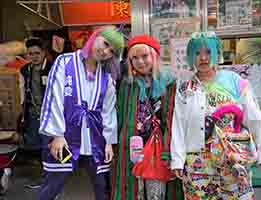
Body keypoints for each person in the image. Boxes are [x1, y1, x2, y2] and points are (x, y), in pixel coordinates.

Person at [171, 32, 261, 200]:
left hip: (233, 157)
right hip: (198, 163)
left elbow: (254, 118)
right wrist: (177, 159)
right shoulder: (185, 88)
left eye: (208, 52)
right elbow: (178, 124)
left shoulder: (235, 81)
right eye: (197, 53)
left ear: (217, 53)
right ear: (191, 56)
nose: (203, 58)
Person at [38, 27, 124, 200]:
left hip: (95, 137)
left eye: (111, 51)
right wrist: (57, 135)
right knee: (53, 184)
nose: (105, 51)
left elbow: (108, 110)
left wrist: (108, 142)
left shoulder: (107, 76)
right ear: (95, 37)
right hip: (67, 135)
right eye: (105, 44)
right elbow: (53, 97)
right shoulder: (65, 61)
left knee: (102, 187)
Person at [112, 35, 183, 200]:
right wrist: (118, 147)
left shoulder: (169, 83)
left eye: (144, 56)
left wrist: (169, 151)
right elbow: (121, 117)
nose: (140, 61)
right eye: (134, 58)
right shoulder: (127, 84)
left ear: (154, 56)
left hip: (158, 150)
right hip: (133, 147)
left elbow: (172, 120)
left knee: (156, 193)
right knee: (134, 191)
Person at [19, 37, 52, 189]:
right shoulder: (25, 70)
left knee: (49, 146)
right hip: (33, 113)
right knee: (38, 146)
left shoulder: (52, 68)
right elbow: (22, 91)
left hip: (50, 115)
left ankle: (50, 179)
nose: (34, 57)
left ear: (44, 53)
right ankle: (47, 176)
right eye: (31, 54)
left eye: (37, 53)